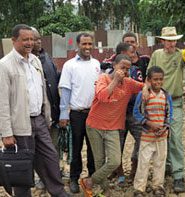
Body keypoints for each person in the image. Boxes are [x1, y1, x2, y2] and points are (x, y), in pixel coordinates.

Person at [0, 24, 69, 197]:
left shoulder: (35, 60)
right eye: (25, 39)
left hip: (39, 120)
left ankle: (58, 192)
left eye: (32, 39)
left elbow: (42, 91)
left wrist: (46, 118)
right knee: (23, 165)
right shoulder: (4, 65)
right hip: (19, 124)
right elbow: (2, 102)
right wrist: (6, 132)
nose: (30, 43)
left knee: (50, 158)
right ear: (14, 40)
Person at [79, 54, 145, 197]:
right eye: (122, 67)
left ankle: (89, 182)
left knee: (115, 160)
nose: (125, 71)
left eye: (128, 68)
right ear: (114, 65)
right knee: (99, 160)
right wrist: (115, 80)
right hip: (95, 125)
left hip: (113, 126)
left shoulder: (128, 82)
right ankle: (105, 190)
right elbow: (102, 96)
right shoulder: (103, 78)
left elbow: (144, 87)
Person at [58, 33, 100, 193]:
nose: (88, 47)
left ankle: (91, 177)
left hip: (94, 113)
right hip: (77, 114)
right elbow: (66, 90)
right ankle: (74, 178)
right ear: (78, 44)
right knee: (75, 147)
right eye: (84, 44)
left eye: (90, 44)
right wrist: (63, 114)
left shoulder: (97, 64)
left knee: (93, 147)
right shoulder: (70, 65)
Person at [148, 26, 185, 192]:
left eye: (174, 40)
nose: (172, 43)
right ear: (162, 41)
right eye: (169, 40)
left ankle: (179, 175)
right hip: (157, 101)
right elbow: (149, 75)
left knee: (175, 137)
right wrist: (145, 91)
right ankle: (166, 167)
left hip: (175, 102)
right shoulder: (156, 55)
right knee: (160, 136)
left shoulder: (182, 55)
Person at [132, 66, 173, 197]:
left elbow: (170, 114)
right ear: (149, 80)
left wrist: (165, 126)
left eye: (160, 79)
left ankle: (158, 186)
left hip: (162, 136)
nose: (158, 82)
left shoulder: (166, 95)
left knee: (160, 161)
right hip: (147, 136)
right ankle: (139, 188)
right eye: (155, 79)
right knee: (143, 162)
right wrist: (149, 123)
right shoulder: (143, 95)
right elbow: (136, 112)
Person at [31, 27, 62, 190]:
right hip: (35, 116)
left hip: (52, 114)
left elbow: (54, 83)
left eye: (38, 39)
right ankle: (41, 178)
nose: (37, 42)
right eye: (33, 39)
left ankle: (54, 176)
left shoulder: (46, 58)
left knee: (53, 148)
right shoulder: (27, 60)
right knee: (37, 149)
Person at [117, 32, 150, 183]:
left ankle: (135, 167)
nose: (131, 46)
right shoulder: (112, 66)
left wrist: (144, 88)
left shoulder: (141, 64)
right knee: (118, 142)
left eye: (133, 43)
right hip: (119, 112)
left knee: (142, 139)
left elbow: (147, 81)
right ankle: (119, 172)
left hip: (136, 111)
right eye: (127, 44)